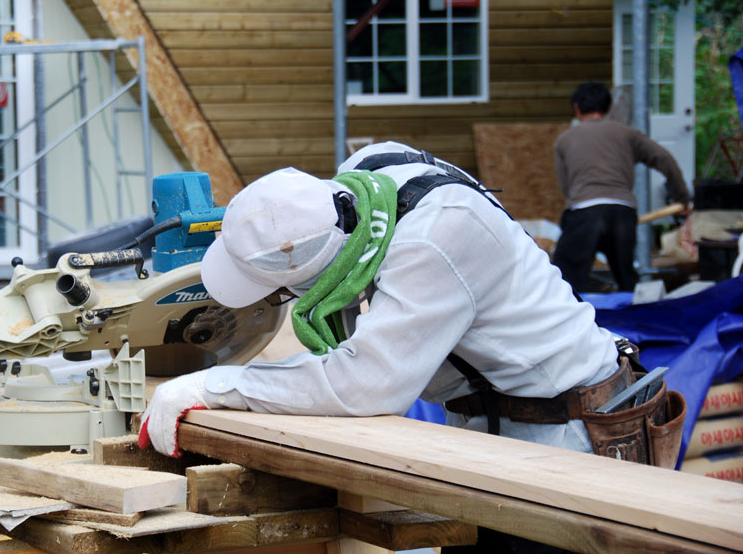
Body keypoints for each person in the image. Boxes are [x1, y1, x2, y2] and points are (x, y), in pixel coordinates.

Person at [138, 142, 683, 551]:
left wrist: (216, 385)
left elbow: (367, 383)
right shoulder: (372, 170)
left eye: (283, 291)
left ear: (321, 273)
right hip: (499, 433)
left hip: (568, 441)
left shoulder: (436, 242)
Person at [553, 81, 692, 293]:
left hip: (583, 213)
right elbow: (664, 159)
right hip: (621, 212)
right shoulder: (628, 134)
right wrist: (681, 198)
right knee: (626, 280)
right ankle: (630, 322)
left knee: (565, 283)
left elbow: (566, 187)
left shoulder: (564, 140)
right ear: (608, 108)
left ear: (577, 108)